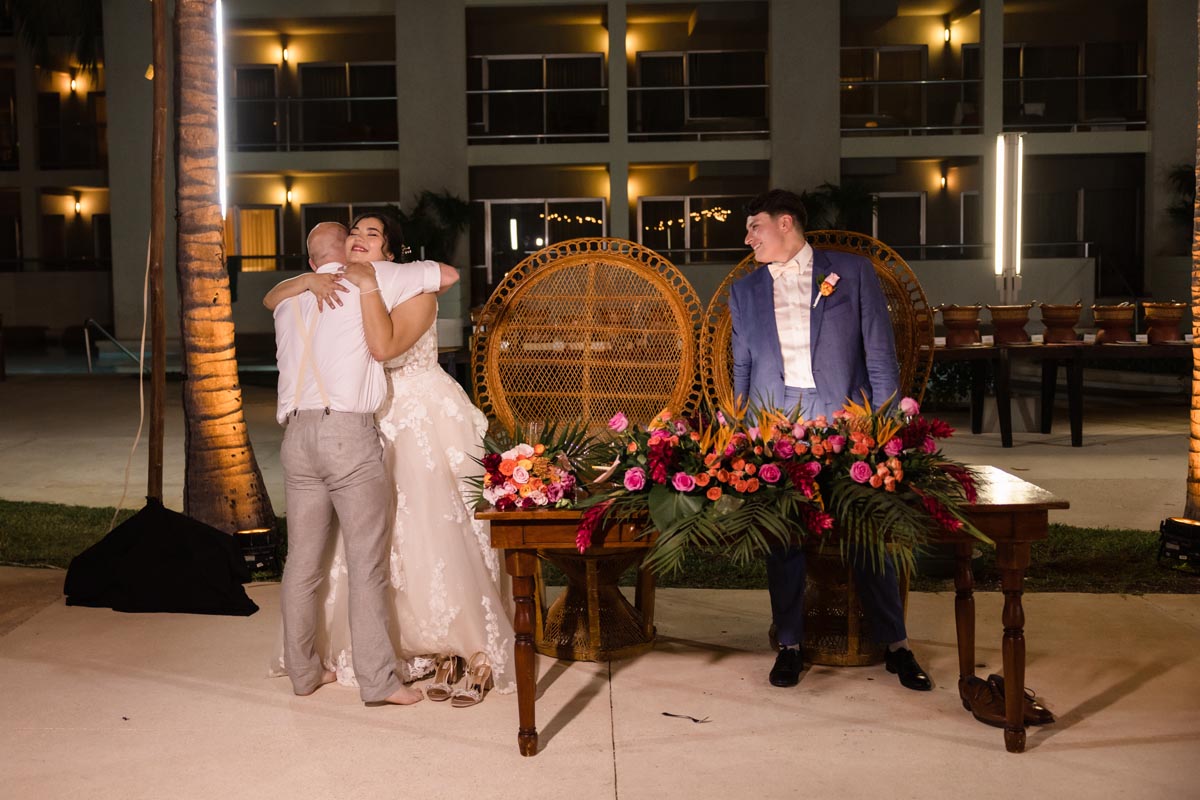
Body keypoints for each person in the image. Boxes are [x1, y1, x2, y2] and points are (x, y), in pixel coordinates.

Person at [269, 214, 515, 705]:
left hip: (408, 421)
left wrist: (331, 282)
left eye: (371, 234)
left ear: (392, 251)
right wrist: (338, 282)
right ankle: (383, 670)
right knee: (369, 556)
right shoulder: (343, 288)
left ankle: (451, 643)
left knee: (425, 532)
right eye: (354, 233)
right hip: (363, 424)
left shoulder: (400, 286)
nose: (358, 239)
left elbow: (385, 335)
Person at [728, 189, 932, 692]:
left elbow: (879, 355)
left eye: (755, 227)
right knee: (784, 533)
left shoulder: (852, 272)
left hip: (847, 420)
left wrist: (886, 428)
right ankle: (790, 644)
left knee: (867, 528)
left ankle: (896, 643)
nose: (748, 238)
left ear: (785, 223)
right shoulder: (744, 290)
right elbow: (743, 367)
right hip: (775, 426)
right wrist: (742, 434)